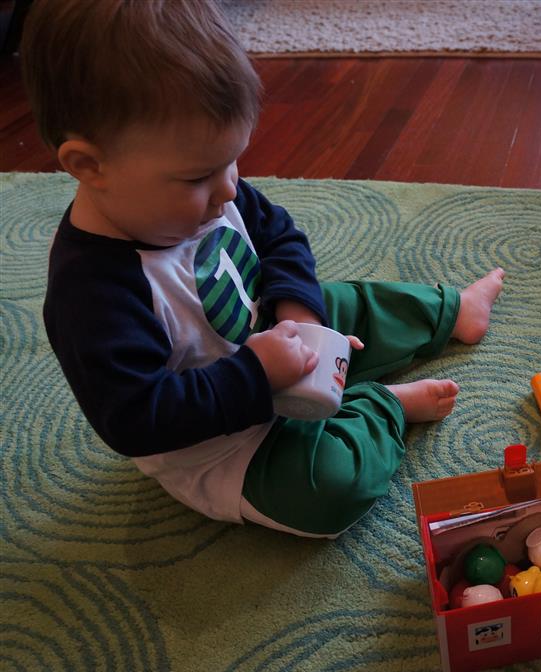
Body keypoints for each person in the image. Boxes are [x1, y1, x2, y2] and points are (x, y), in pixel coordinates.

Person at [21, 0, 505, 538]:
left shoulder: (206, 186)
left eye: (232, 160)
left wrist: (297, 313)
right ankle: (381, 406)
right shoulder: (90, 294)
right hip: (220, 440)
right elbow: (138, 419)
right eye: (199, 177)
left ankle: (450, 310)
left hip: (271, 329)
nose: (229, 189)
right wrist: (258, 373)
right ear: (89, 165)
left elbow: (280, 237)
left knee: (348, 302)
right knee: (328, 487)